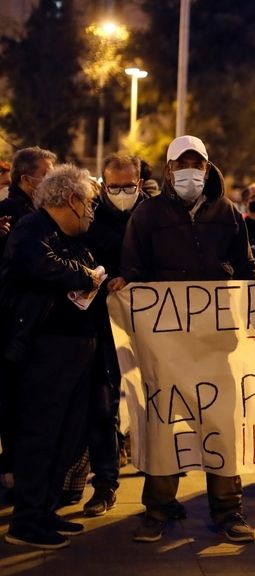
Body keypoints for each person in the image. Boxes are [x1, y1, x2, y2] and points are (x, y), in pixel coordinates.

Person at [118, 135, 255, 544]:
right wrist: (127, 284)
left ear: (208, 167)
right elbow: (133, 266)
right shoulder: (147, 215)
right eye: (183, 164)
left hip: (217, 341)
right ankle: (158, 509)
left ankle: (229, 510)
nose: (191, 171)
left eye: (198, 163)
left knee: (221, 424)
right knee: (164, 423)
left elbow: (246, 268)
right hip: (167, 342)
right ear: (168, 170)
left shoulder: (228, 212)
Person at [0, 165, 103, 549]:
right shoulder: (32, 228)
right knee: (39, 434)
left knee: (66, 435)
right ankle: (26, 521)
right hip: (45, 351)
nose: (91, 210)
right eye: (89, 202)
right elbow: (43, 267)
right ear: (72, 200)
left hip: (75, 350)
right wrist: (85, 276)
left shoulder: (72, 237)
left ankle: (45, 510)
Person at [77, 153, 147, 518]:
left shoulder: (154, 214)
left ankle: (160, 493)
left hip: (151, 327)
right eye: (114, 186)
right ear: (104, 184)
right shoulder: (90, 218)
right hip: (103, 327)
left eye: (128, 186)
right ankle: (105, 483)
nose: (122, 193)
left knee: (153, 405)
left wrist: (133, 276)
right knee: (105, 406)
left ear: (139, 181)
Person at [0, 146, 56, 489]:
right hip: (14, 323)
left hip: (28, 323)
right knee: (14, 403)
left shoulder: (34, 211)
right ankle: (13, 473)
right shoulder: (11, 214)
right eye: (47, 176)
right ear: (27, 179)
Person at [0, 146, 56, 256]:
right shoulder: (5, 210)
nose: (52, 181)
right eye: (46, 175)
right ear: (26, 179)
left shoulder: (43, 211)